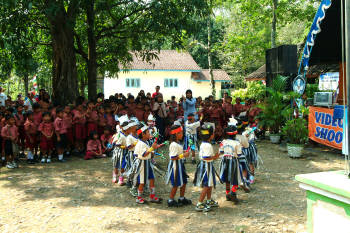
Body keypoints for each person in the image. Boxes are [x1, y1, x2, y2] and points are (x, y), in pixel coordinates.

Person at [193, 124, 220, 212]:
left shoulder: (203, 144)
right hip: (206, 167)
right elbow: (206, 157)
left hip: (206, 166)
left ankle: (208, 200)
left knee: (210, 183)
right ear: (211, 135)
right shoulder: (208, 146)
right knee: (207, 185)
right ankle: (199, 203)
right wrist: (215, 157)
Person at [133, 123, 161, 204]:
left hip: (147, 163)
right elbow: (143, 154)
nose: (150, 134)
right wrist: (152, 148)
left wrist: (153, 150)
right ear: (143, 134)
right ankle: (138, 197)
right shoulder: (140, 143)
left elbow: (149, 153)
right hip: (142, 164)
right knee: (142, 181)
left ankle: (152, 196)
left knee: (152, 178)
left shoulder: (146, 142)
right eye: (148, 132)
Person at [166, 124, 191, 207]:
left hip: (180, 165)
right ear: (176, 134)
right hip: (175, 167)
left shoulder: (178, 143)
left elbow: (178, 152)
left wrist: (183, 152)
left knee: (184, 181)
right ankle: (171, 200)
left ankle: (181, 198)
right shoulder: (173, 144)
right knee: (176, 183)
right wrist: (183, 155)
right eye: (181, 133)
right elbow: (173, 157)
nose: (182, 134)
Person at [219, 124, 241, 204]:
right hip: (233, 161)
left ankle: (227, 194)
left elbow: (221, 152)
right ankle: (233, 192)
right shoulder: (237, 143)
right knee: (236, 177)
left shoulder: (223, 142)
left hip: (224, 161)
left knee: (227, 178)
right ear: (235, 134)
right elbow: (239, 154)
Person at [111, 115, 129, 185]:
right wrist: (124, 147)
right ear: (121, 126)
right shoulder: (119, 134)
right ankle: (115, 175)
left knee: (123, 165)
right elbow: (116, 143)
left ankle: (121, 177)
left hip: (126, 152)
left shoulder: (129, 134)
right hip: (119, 152)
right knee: (116, 164)